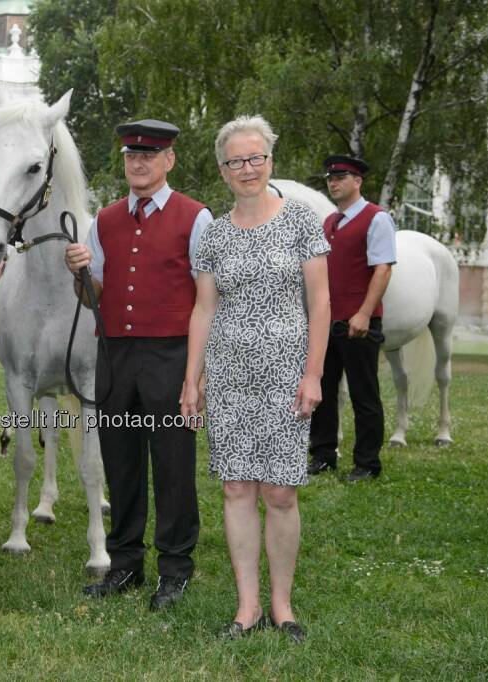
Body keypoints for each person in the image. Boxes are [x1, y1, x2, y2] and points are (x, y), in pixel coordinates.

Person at [181, 115, 330, 642]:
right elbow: (202, 310)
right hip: (227, 379)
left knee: (281, 493)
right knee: (236, 487)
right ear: (223, 171)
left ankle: (282, 606)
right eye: (236, 161)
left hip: (286, 378)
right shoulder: (214, 235)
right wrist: (191, 380)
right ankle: (246, 608)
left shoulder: (301, 221)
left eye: (256, 158)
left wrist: (313, 375)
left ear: (270, 161)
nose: (247, 169)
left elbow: (320, 303)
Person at [64, 119, 212, 611]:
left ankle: (175, 569)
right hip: (116, 357)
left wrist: (195, 374)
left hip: (170, 356)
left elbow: (207, 301)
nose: (139, 163)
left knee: (172, 466)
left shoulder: (197, 217)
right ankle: (125, 563)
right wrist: (79, 274)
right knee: (122, 463)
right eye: (132, 155)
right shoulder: (103, 220)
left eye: (150, 155)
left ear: (169, 160)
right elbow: (93, 298)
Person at [308, 156, 396, 482]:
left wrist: (364, 312)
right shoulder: (330, 222)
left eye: (341, 177)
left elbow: (383, 268)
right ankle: (323, 455)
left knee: (364, 394)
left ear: (357, 181)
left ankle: (367, 463)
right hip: (327, 322)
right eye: (330, 178)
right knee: (324, 391)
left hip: (358, 323)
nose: (334, 183)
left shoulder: (376, 219)